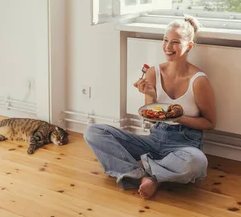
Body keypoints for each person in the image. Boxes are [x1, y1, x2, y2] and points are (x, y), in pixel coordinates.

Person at [84, 15, 217, 199]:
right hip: (154, 139)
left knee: (197, 162)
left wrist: (178, 118)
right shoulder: (154, 72)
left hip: (184, 145)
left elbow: (210, 123)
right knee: (93, 132)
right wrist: (153, 97)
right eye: (165, 40)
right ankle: (150, 174)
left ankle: (144, 173)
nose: (168, 47)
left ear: (189, 46)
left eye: (175, 42)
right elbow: (149, 116)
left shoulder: (199, 81)